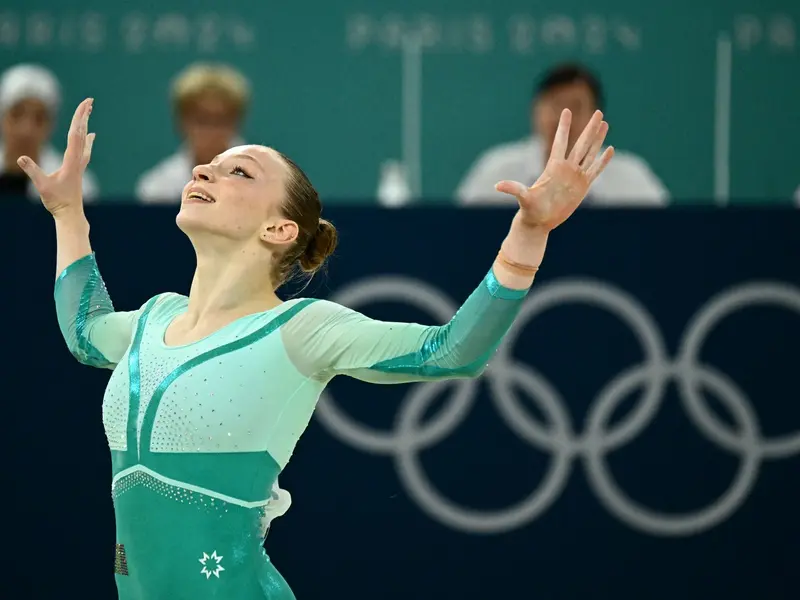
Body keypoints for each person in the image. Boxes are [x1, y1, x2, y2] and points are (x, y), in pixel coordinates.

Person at [17, 98, 614, 599]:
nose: (203, 171)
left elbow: (452, 350)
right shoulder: (153, 319)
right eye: (209, 166)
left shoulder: (301, 331)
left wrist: (528, 232)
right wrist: (68, 213)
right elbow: (84, 332)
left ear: (280, 229)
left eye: (239, 172)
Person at [456, 63, 668, 207]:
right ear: (535, 111)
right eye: (555, 105)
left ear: (598, 117)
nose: (564, 116)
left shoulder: (632, 178)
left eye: (576, 106)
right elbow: (462, 234)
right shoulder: (496, 171)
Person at [136, 63, 250, 204]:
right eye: (202, 120)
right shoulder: (157, 187)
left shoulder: (262, 182)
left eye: (220, 120)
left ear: (237, 122)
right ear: (182, 122)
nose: (211, 131)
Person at [0, 63, 98, 201]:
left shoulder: (77, 184)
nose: (26, 130)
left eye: (39, 118)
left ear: (51, 125)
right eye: (16, 115)